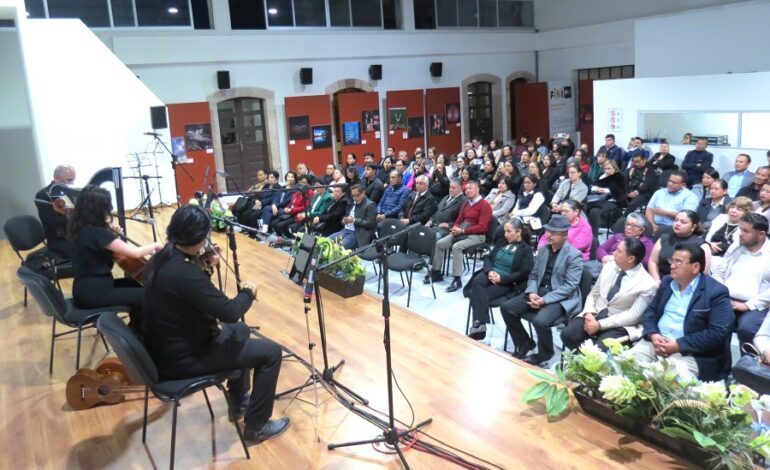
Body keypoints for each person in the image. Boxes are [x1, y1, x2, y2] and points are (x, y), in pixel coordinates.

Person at [142, 205, 289, 445]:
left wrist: (206, 264)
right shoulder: (184, 274)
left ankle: (238, 402)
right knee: (271, 352)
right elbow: (230, 312)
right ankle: (257, 426)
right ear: (199, 237)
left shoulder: (163, 258)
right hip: (184, 358)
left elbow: (192, 295)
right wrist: (248, 291)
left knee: (241, 330)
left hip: (167, 347)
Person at [629, 243, 734, 381]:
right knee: (624, 365)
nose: (672, 266)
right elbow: (650, 312)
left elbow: (718, 332)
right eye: (672, 260)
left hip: (692, 352)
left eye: (678, 262)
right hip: (656, 343)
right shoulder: (667, 282)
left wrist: (678, 345)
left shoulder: (716, 292)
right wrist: (653, 334)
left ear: (695, 267)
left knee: (663, 381)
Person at [68, 185, 164, 334]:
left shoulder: (80, 227)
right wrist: (156, 245)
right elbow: (135, 253)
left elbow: (100, 247)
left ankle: (136, 328)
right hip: (95, 293)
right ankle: (139, 335)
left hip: (84, 288)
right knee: (148, 295)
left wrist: (113, 237)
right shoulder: (98, 233)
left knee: (136, 285)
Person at [500, 215, 583, 365]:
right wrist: (532, 292)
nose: (548, 235)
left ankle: (545, 354)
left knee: (540, 321)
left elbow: (570, 286)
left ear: (565, 234)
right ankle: (524, 342)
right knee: (507, 308)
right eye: (548, 231)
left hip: (560, 298)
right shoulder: (543, 250)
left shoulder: (574, 255)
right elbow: (534, 276)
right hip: (539, 291)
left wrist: (544, 300)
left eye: (553, 232)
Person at [561, 237, 657, 350]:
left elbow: (633, 316)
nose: (614, 253)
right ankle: (579, 358)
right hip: (595, 313)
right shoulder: (609, 266)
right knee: (568, 334)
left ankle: (586, 358)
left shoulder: (648, 284)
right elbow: (594, 293)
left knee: (598, 350)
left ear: (630, 259)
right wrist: (588, 313)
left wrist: (600, 325)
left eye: (619, 251)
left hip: (619, 324)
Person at [465, 219, 534, 340]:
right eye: (504, 231)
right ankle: (480, 324)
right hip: (491, 272)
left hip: (507, 281)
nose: (505, 234)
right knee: (477, 281)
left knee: (477, 293)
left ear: (518, 232)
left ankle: (479, 324)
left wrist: (501, 279)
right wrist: (489, 271)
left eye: (509, 231)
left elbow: (523, 273)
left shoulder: (526, 250)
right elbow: (488, 258)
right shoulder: (502, 242)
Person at [712, 213, 770, 347]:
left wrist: (748, 305)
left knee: (747, 328)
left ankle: (748, 360)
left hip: (756, 305)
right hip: (726, 298)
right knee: (710, 318)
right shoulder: (735, 247)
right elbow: (719, 272)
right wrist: (722, 294)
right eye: (740, 229)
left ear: (761, 234)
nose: (740, 234)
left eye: (746, 231)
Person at [425, 180, 492, 292]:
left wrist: (463, 231)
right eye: (466, 189)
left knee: (457, 247)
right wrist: (455, 228)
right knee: (440, 243)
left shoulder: (485, 205)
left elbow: (482, 227)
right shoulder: (466, 203)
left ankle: (457, 279)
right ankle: (436, 272)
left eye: (470, 188)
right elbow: (458, 220)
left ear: (478, 189)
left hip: (477, 235)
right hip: (462, 231)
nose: (467, 191)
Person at [648, 210, 711, 285]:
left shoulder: (702, 245)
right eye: (676, 220)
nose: (677, 224)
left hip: (686, 284)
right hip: (660, 280)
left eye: (683, 222)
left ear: (693, 226)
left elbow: (703, 272)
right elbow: (653, 261)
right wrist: (657, 280)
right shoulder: (664, 238)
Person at [35, 164, 76, 258]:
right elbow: (50, 223)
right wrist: (69, 214)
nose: (72, 184)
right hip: (58, 240)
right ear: (56, 178)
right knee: (88, 250)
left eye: (73, 180)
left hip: (73, 234)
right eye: (69, 180)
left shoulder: (68, 191)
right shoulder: (43, 195)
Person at [645, 170, 698, 235]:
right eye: (669, 181)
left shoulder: (690, 197)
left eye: (674, 182)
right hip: (654, 225)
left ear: (683, 185)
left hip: (673, 229)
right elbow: (649, 210)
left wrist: (665, 213)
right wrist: (652, 225)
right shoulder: (659, 192)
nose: (670, 184)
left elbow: (687, 216)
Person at [704, 196, 753, 262]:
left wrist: (711, 247)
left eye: (739, 209)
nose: (733, 211)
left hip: (728, 260)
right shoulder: (720, 219)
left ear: (746, 213)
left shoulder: (745, 228)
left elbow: (737, 247)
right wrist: (707, 244)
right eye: (732, 207)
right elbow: (705, 236)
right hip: (706, 253)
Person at [329, 184, 376, 249]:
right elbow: (347, 215)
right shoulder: (352, 203)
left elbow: (370, 223)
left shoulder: (370, 205)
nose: (354, 198)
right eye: (353, 196)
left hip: (357, 234)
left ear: (363, 193)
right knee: (327, 241)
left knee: (338, 247)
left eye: (357, 195)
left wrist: (354, 220)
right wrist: (344, 220)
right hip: (345, 231)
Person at [586, 159, 626, 233]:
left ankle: (594, 234)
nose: (606, 171)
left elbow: (621, 192)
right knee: (584, 207)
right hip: (598, 199)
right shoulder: (601, 175)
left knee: (594, 211)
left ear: (615, 168)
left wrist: (606, 190)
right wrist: (596, 189)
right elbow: (594, 185)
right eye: (605, 168)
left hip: (613, 200)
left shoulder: (620, 177)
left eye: (609, 168)